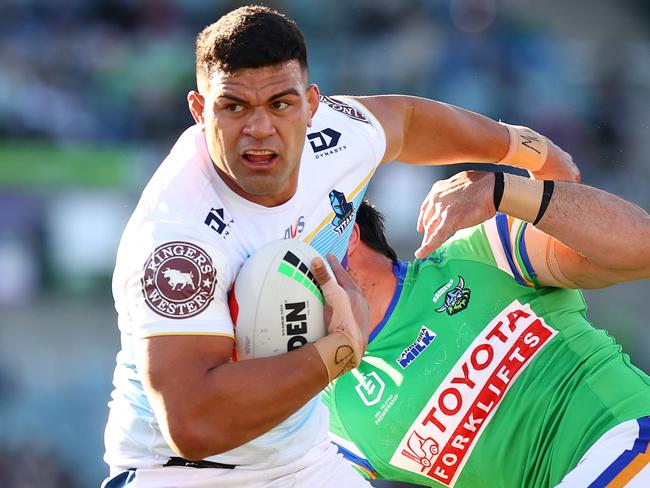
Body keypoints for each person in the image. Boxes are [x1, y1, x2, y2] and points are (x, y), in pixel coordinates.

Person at [102, 5, 580, 487]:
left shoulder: (335, 135)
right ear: (199, 110)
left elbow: (409, 123)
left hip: (302, 460)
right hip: (180, 472)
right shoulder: (177, 238)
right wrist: (339, 352)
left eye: (280, 104)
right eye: (234, 107)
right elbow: (193, 423)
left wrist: (526, 149)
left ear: (312, 104)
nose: (260, 128)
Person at [323, 173, 650, 487]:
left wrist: (505, 190)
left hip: (627, 433)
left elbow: (642, 248)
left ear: (346, 234)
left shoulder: (482, 251)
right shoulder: (328, 410)